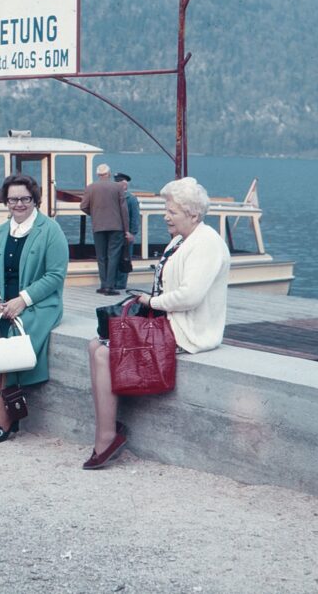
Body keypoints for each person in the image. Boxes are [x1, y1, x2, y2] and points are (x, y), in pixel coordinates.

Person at [84, 177, 230, 469]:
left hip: (190, 330)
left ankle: (107, 437)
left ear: (193, 214)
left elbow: (189, 296)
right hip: (169, 321)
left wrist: (150, 302)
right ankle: (107, 433)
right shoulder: (181, 240)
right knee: (94, 345)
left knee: (103, 351)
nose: (165, 216)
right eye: (167, 209)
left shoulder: (207, 244)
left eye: (172, 211)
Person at [0, 173, 69, 446]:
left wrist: (23, 299)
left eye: (25, 199)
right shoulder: (1, 231)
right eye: (13, 199)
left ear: (35, 199)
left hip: (37, 305)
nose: (19, 204)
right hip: (1, 305)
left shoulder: (50, 230)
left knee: (0, 346)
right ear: (5, 201)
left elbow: (55, 275)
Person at [80, 163, 131, 296]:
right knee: (113, 255)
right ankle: (110, 286)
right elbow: (124, 210)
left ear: (98, 175)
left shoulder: (90, 188)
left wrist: (95, 214)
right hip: (116, 226)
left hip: (98, 226)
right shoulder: (118, 187)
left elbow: (83, 206)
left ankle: (103, 285)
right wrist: (127, 229)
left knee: (101, 257)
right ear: (108, 174)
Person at [113, 172, 140, 291]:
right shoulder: (113, 197)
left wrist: (132, 233)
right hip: (115, 232)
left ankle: (121, 283)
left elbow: (134, 217)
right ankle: (114, 281)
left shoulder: (131, 199)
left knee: (125, 257)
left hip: (125, 233)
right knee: (115, 257)